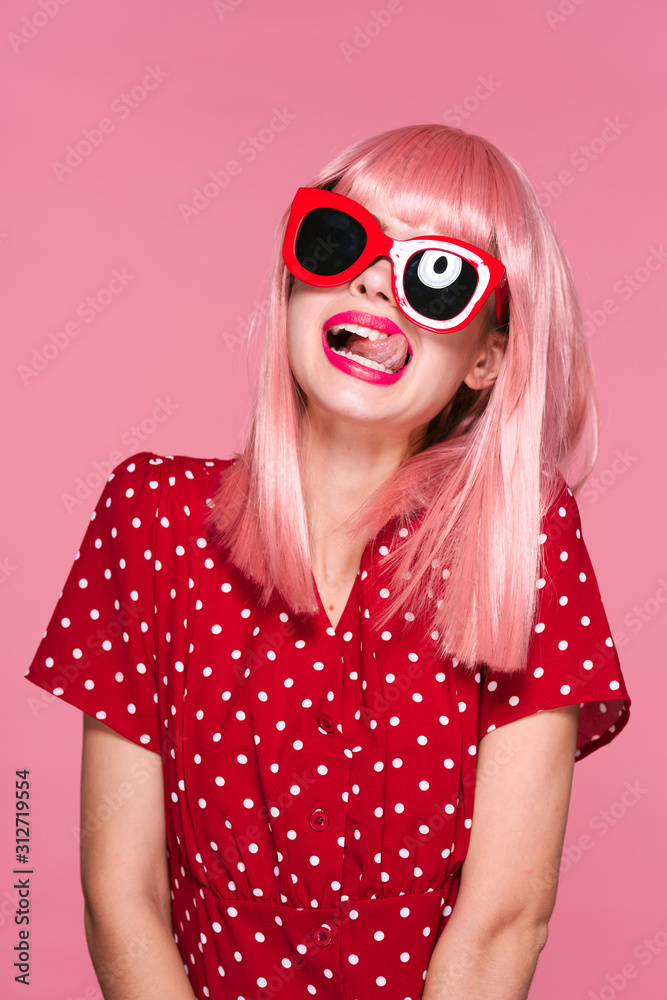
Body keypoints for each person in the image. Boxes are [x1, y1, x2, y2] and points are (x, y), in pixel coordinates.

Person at [26, 123, 631, 1000]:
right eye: (340, 241)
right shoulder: (149, 518)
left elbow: (504, 919)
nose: (379, 283)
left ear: (487, 358)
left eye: (438, 276)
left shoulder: (524, 539)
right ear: (293, 280)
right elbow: (123, 895)